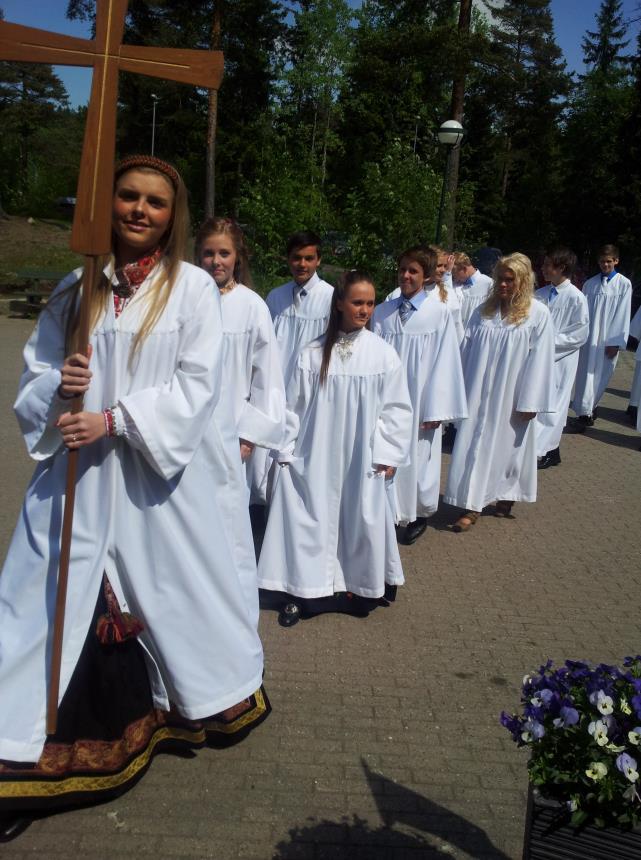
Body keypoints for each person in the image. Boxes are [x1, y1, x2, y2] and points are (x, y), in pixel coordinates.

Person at [0, 156, 268, 840]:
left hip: (154, 480)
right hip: (78, 480)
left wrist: (114, 419)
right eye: (127, 196)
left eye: (154, 201)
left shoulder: (192, 292)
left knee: (169, 589)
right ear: (108, 202)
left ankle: (180, 701)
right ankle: (36, 736)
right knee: (49, 596)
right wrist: (62, 388)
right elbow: (33, 382)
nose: (139, 210)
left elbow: (198, 385)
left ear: (170, 215)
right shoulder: (76, 288)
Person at [257, 271, 413, 628]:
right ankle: (303, 587)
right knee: (308, 517)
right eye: (357, 302)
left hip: (362, 457)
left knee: (359, 518)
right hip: (316, 455)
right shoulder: (312, 353)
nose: (365, 310)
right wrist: (285, 450)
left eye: (370, 303)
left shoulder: (383, 355)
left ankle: (357, 585)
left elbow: (397, 409)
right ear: (340, 303)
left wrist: (388, 454)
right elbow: (293, 407)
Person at [443, 253, 555, 532]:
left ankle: (505, 494)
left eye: (509, 280)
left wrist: (531, 401)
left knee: (509, 448)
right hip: (479, 393)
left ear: (523, 281)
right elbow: (465, 352)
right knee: (474, 445)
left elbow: (540, 360)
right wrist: (458, 392)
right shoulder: (484, 311)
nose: (503, 285)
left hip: (512, 394)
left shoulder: (537, 314)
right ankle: (472, 504)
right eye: (500, 279)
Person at [372, 246, 466, 545]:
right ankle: (384, 510)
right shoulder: (383, 312)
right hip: (386, 399)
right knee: (385, 450)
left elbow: (446, 361)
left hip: (420, 399)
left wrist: (437, 408)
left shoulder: (438, 312)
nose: (406, 276)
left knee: (418, 457)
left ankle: (414, 514)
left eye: (413, 271)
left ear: (426, 276)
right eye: (402, 270)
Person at [195, 217, 286, 509]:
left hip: (230, 429)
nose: (215, 261)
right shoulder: (183, 302)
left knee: (224, 511)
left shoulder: (252, 307)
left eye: (224, 254)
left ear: (237, 257)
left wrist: (249, 435)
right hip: (186, 427)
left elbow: (267, 377)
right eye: (209, 253)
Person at [534, 247, 589, 469]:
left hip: (559, 360)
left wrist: (548, 343)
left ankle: (547, 450)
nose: (544, 269)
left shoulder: (576, 297)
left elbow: (579, 334)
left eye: (548, 265)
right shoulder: (541, 294)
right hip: (538, 358)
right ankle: (549, 449)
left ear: (562, 268)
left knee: (553, 405)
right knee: (537, 402)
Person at [568, 244, 632, 431]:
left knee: (601, 375)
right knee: (584, 375)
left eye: (609, 261)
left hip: (607, 340)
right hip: (589, 339)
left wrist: (615, 343)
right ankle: (585, 413)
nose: (605, 264)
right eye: (602, 261)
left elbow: (623, 313)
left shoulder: (623, 284)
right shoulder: (591, 284)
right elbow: (584, 312)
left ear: (616, 261)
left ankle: (589, 408)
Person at [451, 252, 493, 329]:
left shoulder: (488, 284)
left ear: (464, 269)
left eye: (454, 273)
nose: (454, 278)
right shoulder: (455, 286)